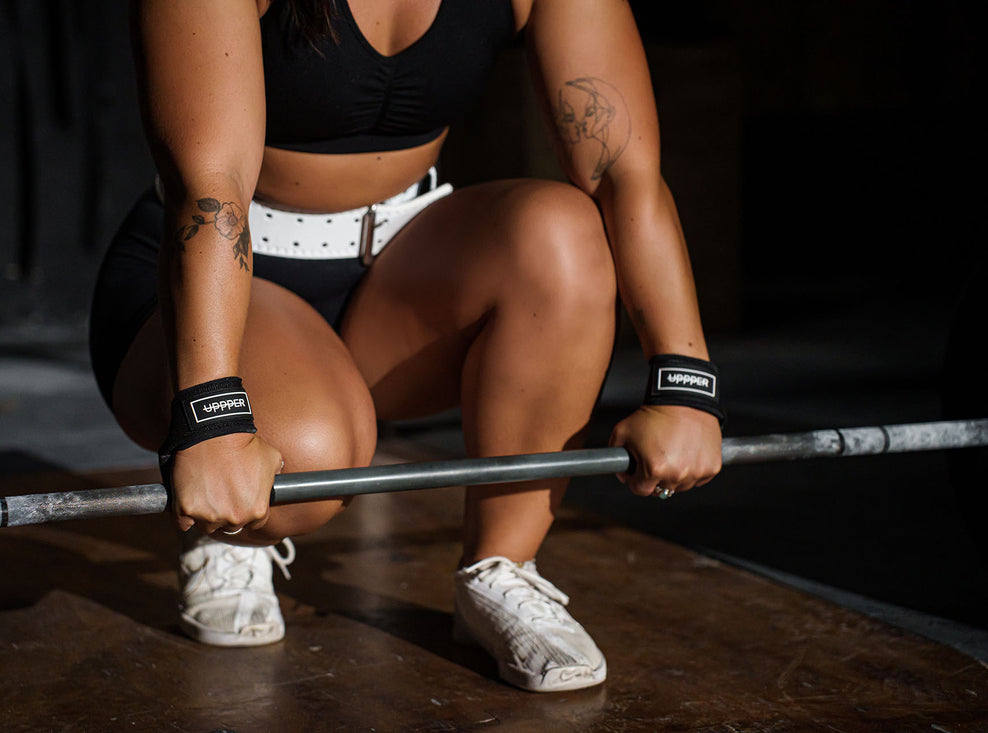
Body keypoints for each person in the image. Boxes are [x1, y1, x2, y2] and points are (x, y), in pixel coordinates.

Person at [89, 0, 723, 693]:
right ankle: (230, 527)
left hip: (391, 280)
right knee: (308, 458)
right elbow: (209, 188)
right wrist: (209, 414)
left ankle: (501, 571)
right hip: (209, 285)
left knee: (564, 237)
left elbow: (622, 174)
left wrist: (684, 379)